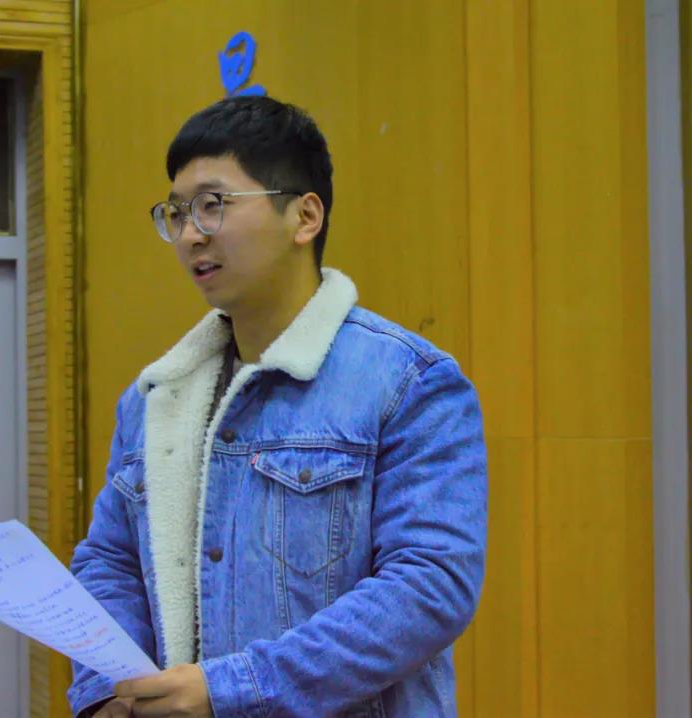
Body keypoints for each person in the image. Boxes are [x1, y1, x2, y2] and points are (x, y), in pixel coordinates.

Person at [68, 95, 487, 717]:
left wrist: (231, 690)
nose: (190, 234)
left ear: (305, 216)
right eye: (177, 213)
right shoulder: (156, 398)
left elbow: (429, 588)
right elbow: (111, 561)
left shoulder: (408, 382)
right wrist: (107, 689)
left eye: (213, 205)